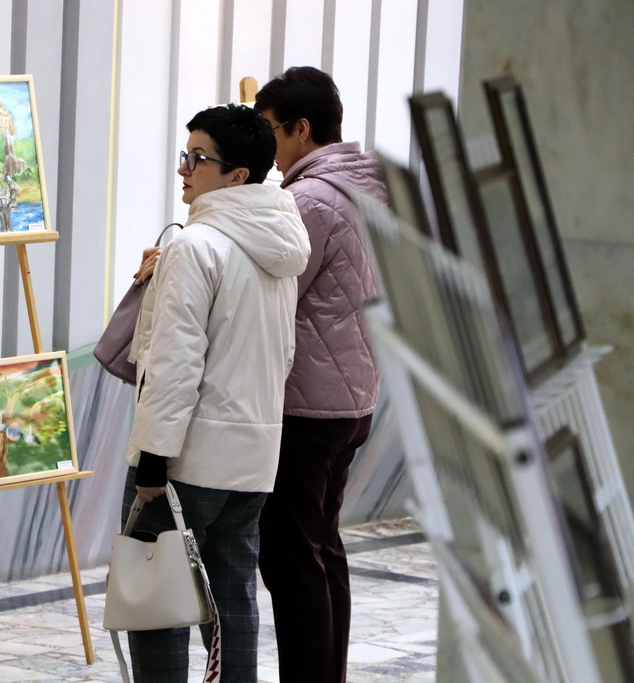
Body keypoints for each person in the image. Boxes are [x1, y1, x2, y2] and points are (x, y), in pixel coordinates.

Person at [122, 103, 310, 682]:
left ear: (238, 175)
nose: (184, 169)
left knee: (157, 606)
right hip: (253, 459)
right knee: (231, 602)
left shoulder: (196, 246)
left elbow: (175, 364)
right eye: (185, 155)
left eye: (198, 159)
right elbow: (281, 357)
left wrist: (153, 461)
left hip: (186, 458)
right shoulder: (280, 248)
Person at [254, 66, 389, 683]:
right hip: (353, 400)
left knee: (291, 561)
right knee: (323, 549)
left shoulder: (309, 201)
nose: (267, 148)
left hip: (306, 406)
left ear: (301, 128)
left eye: (270, 131)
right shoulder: (367, 189)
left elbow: (275, 293)